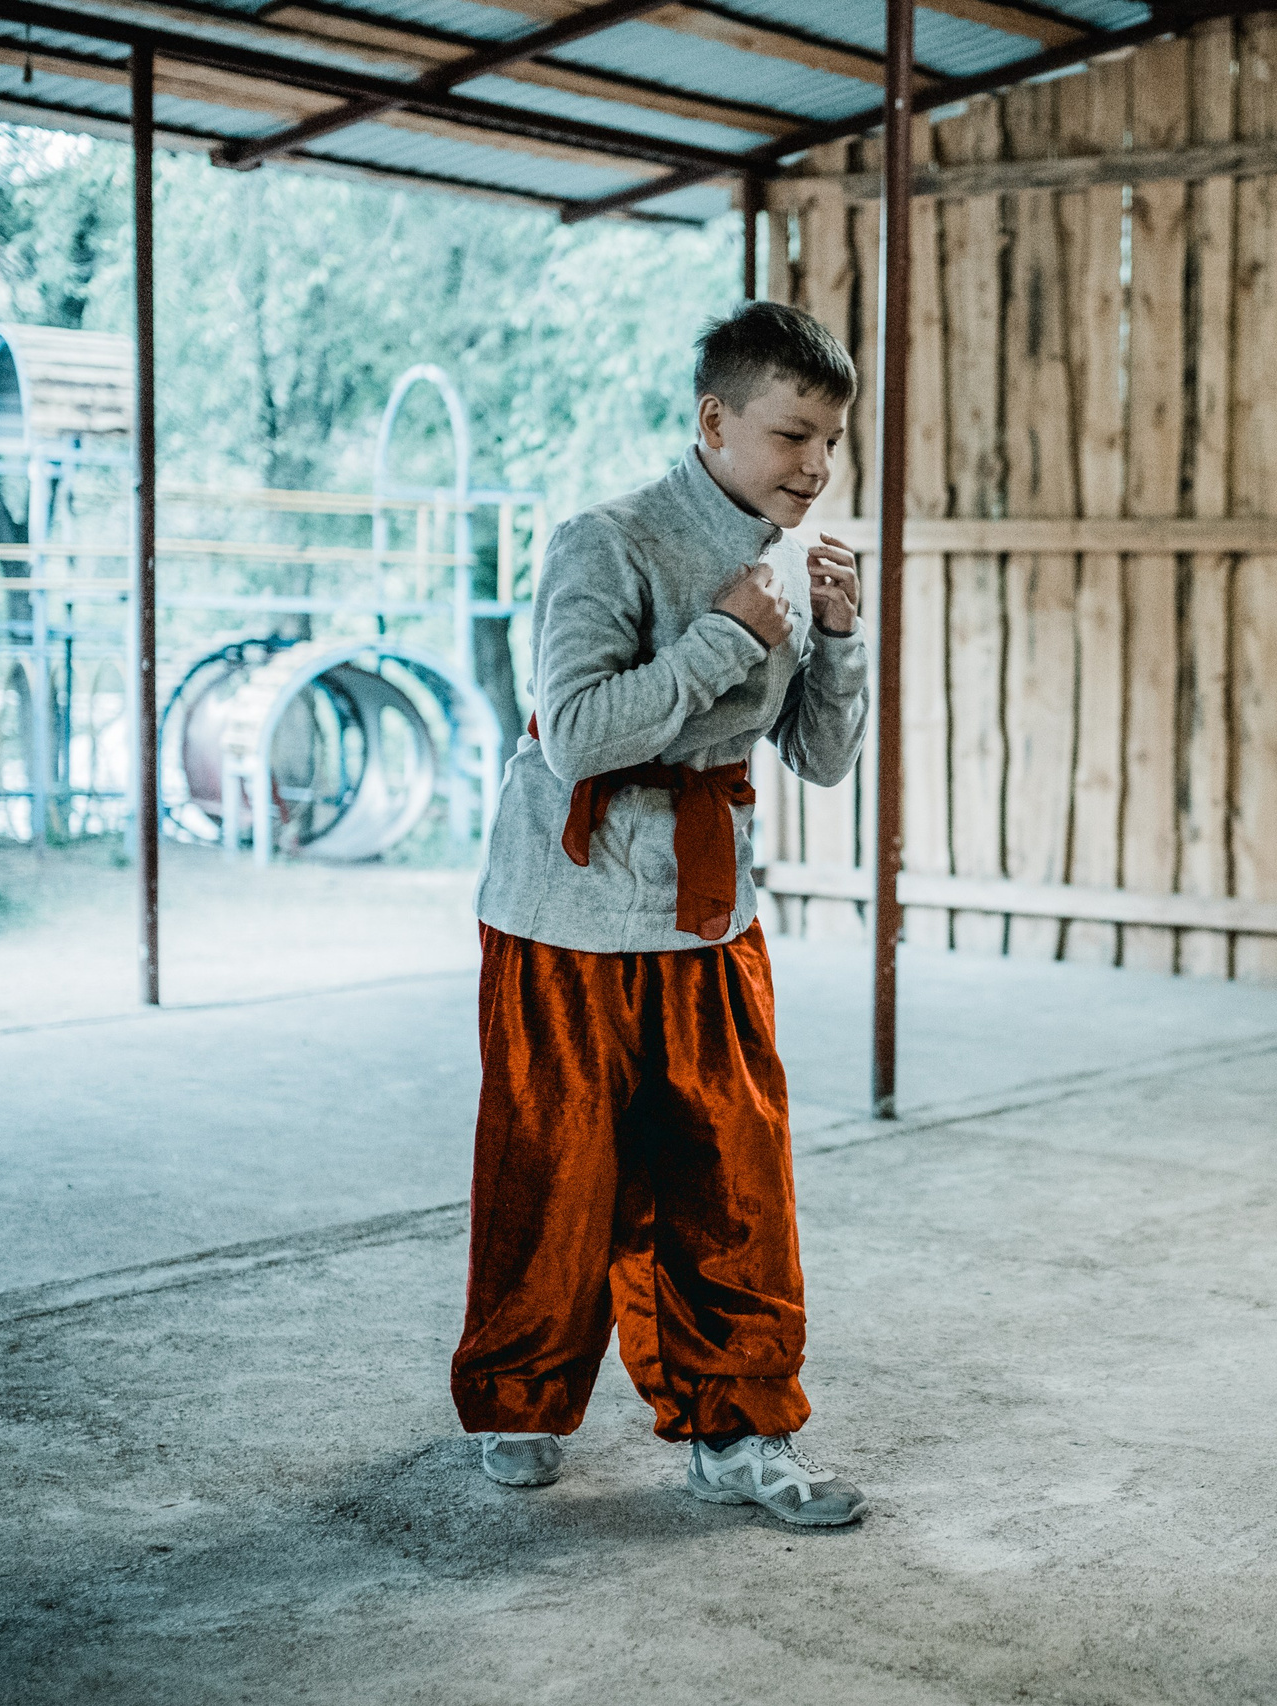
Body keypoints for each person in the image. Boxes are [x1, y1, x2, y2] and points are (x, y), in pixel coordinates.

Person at [450, 301, 871, 1528]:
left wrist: (835, 640)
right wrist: (721, 634)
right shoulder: (605, 540)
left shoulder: (793, 556)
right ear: (714, 420)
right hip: (564, 918)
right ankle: (521, 1398)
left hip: (706, 917)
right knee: (556, 1176)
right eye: (795, 435)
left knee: (732, 1179)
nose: (816, 466)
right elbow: (575, 734)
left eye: (832, 442)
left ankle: (740, 1430)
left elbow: (824, 757)